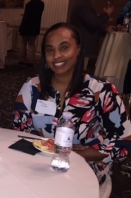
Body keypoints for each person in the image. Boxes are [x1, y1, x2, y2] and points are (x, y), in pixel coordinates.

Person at [13, 22, 131, 185]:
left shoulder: (100, 91)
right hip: (38, 167)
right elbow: (19, 133)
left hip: (85, 170)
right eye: (50, 50)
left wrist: (82, 154)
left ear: (78, 50)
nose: (56, 56)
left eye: (64, 47)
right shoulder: (32, 88)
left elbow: (125, 140)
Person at [69, 0, 115, 70]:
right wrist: (107, 14)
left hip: (81, 42)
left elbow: (88, 25)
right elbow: (94, 22)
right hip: (83, 43)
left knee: (79, 69)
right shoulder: (84, 5)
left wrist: (104, 30)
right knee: (79, 70)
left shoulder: (82, 4)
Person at [18, 0, 44, 68]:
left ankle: (22, 59)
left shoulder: (29, 4)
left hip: (26, 27)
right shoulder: (41, 4)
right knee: (32, 44)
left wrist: (21, 28)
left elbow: (26, 17)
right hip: (35, 27)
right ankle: (31, 61)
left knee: (23, 44)